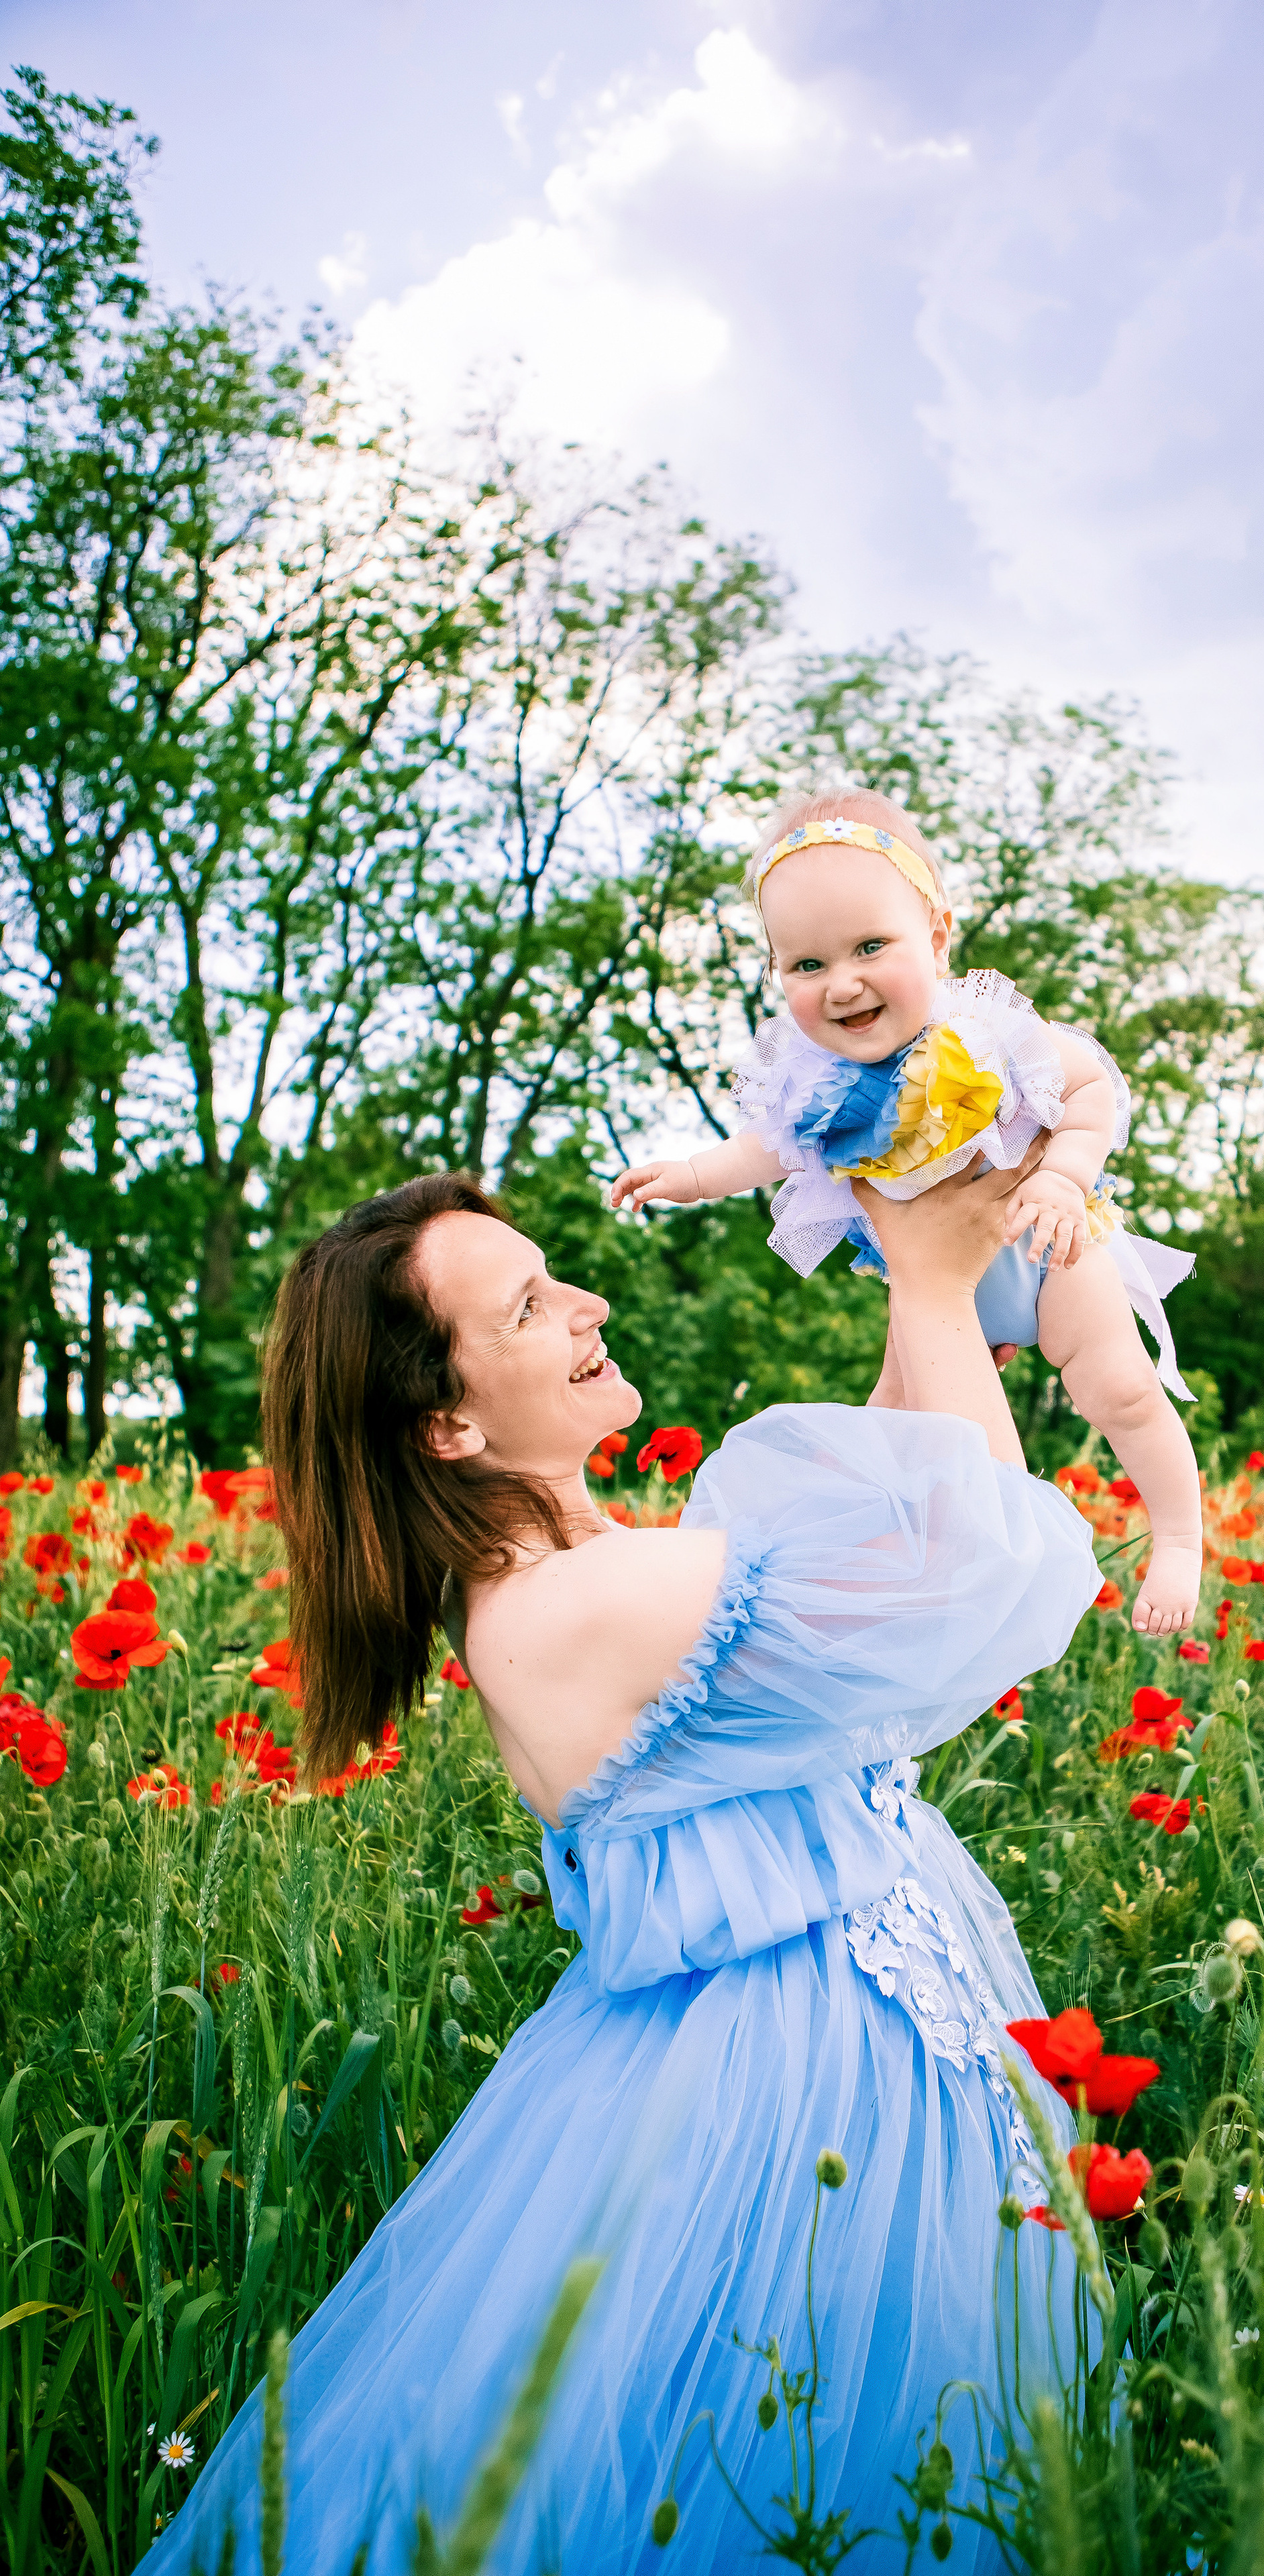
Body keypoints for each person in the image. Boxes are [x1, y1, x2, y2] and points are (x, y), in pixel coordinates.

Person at [150, 1159, 1102, 2574]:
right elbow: (989, 1566)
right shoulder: (575, 1606)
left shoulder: (587, 1575)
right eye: (532, 1304)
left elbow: (900, 1482)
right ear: (448, 1422)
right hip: (793, 2107)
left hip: (837, 2052)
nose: (589, 1302)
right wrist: (931, 1283)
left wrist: (924, 1245)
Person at [610, 784, 1204, 1638]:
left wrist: (1064, 1178)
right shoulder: (812, 1077)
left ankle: (1178, 1535)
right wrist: (690, 1175)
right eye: (806, 965)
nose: (842, 984)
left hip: (1047, 1247)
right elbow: (763, 1149)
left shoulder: (990, 1033)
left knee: (1119, 1390)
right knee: (890, 1422)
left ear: (935, 936)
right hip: (929, 1285)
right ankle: (856, 1577)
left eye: (869, 947)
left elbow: (1091, 1089)